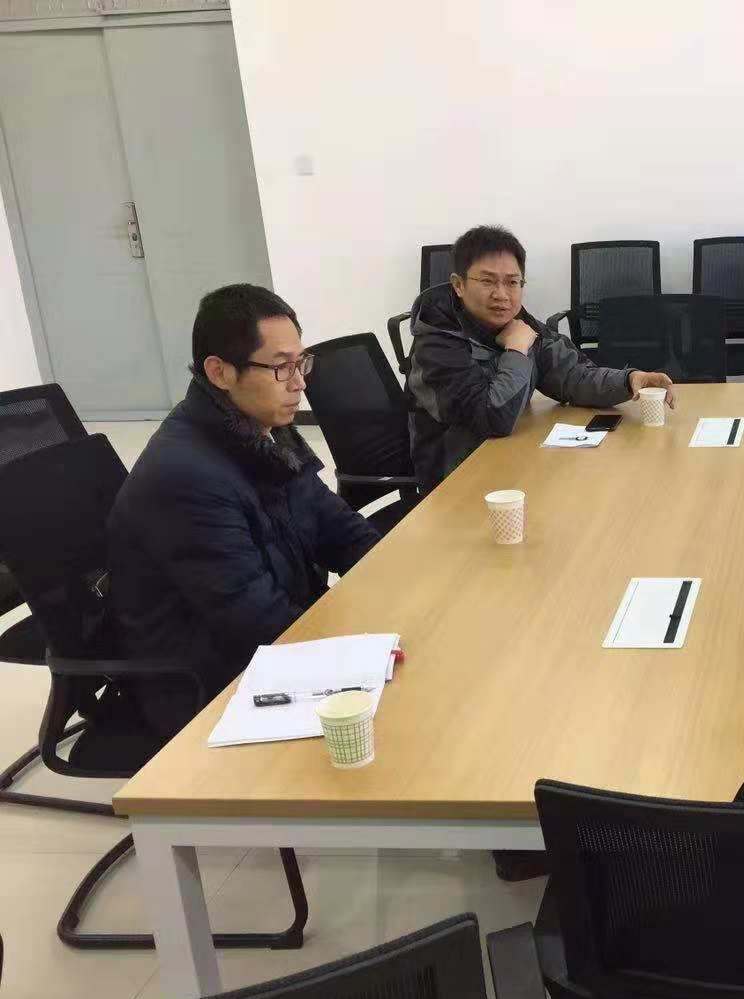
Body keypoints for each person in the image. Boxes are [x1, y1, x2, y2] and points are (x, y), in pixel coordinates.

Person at [108, 285, 380, 737]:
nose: (299, 383)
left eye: (301, 363)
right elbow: (255, 620)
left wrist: (399, 579)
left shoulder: (261, 428)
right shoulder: (186, 476)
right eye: (280, 367)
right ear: (219, 372)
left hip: (274, 641)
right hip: (213, 682)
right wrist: (358, 651)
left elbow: (339, 527)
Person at [408, 225, 676, 492]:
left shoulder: (518, 324)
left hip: (510, 463)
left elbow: (573, 376)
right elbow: (491, 418)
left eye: (512, 282)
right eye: (488, 281)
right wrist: (516, 351)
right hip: (456, 483)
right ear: (459, 285)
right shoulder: (436, 345)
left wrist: (628, 380)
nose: (501, 295)